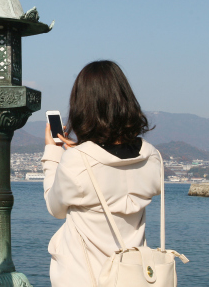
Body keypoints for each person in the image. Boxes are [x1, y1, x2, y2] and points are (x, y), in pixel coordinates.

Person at [41, 60, 161, 287]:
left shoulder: (77, 161)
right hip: (134, 278)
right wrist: (81, 152)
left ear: (82, 106)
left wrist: (53, 154)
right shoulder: (152, 157)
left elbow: (55, 208)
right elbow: (116, 169)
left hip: (84, 278)